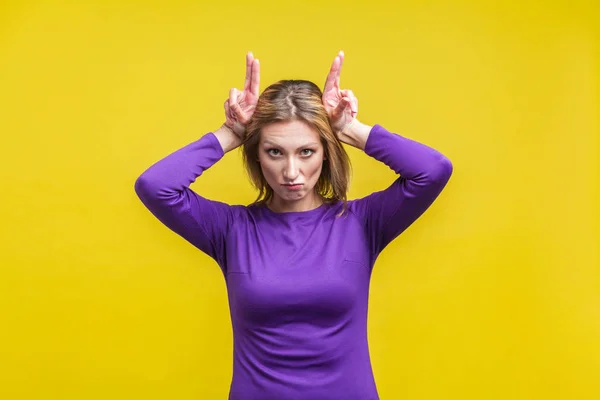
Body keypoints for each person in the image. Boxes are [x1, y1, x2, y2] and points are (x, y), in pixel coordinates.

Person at [134, 50, 453, 400]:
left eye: (306, 151)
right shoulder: (231, 230)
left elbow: (432, 170)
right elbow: (155, 186)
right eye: (275, 152)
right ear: (256, 154)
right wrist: (230, 133)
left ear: (326, 152)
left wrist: (349, 128)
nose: (291, 172)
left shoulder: (361, 223)